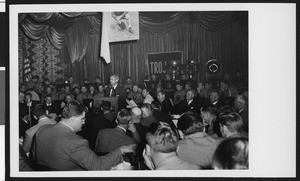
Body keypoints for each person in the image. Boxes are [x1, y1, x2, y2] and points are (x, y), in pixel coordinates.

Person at [34, 101, 136, 170]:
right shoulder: (77, 142)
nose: (84, 122)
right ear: (73, 118)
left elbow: (35, 156)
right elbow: (97, 166)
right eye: (82, 119)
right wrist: (121, 150)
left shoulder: (41, 130)